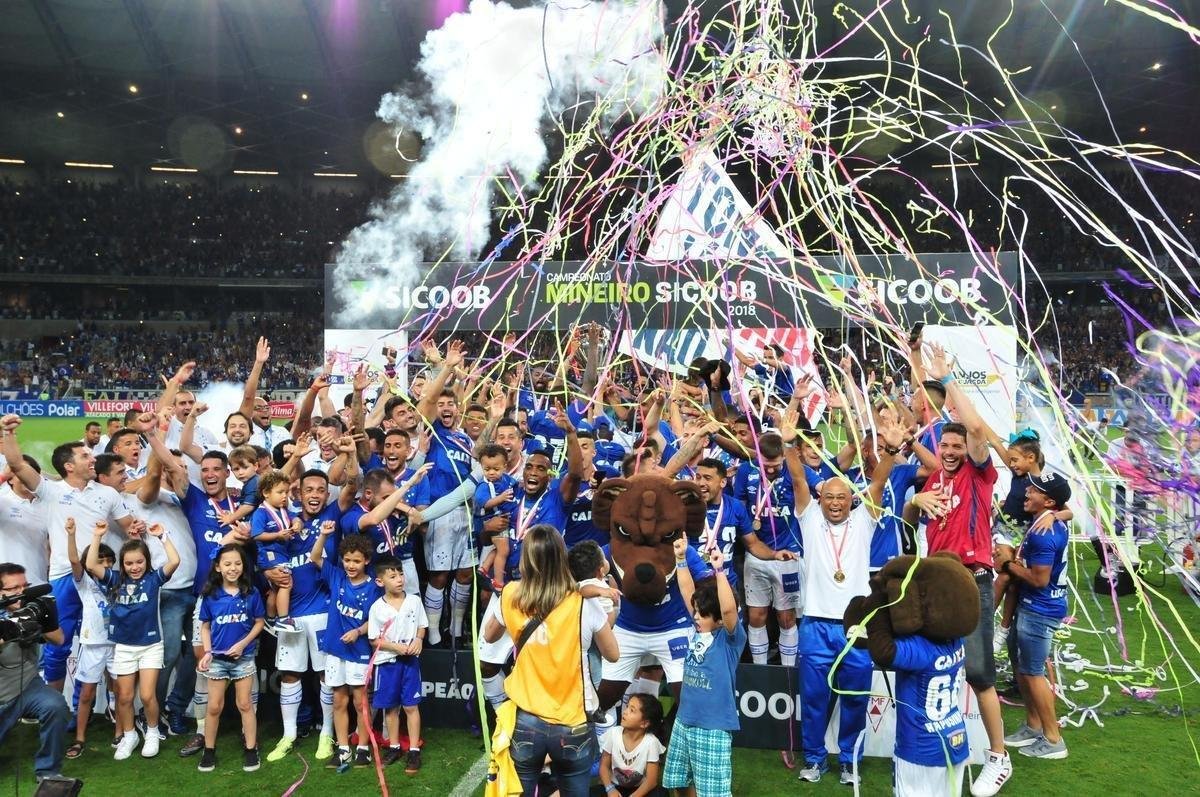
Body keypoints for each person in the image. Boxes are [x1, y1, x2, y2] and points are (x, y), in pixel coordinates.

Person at [782, 409, 903, 786]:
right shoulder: (810, 518)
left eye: (842, 497)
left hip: (856, 628)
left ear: (852, 499)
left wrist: (891, 450)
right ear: (820, 499)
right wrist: (789, 445)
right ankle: (815, 760)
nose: (835, 502)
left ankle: (850, 761)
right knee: (815, 702)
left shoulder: (864, 519)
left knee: (854, 701)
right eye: (829, 496)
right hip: (816, 624)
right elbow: (799, 476)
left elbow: (880, 481)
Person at [915, 344, 1011, 796]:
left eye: (957, 446)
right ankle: (944, 741)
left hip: (973, 582)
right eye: (945, 445)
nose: (951, 450)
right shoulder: (935, 479)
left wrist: (947, 380)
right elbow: (912, 512)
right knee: (939, 667)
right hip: (936, 583)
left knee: (977, 672)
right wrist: (916, 500)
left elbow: (974, 427)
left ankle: (999, 756)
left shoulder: (979, 474)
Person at [482, 524, 619, 796]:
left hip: (526, 721)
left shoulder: (511, 594)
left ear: (526, 558)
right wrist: (611, 608)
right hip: (573, 723)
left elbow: (489, 635)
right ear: (562, 556)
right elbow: (613, 654)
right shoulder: (582, 602)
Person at [85, 520, 179, 760]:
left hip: (150, 646)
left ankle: (152, 732)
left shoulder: (154, 579)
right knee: (124, 698)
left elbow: (175, 561)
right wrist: (97, 536)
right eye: (129, 563)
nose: (135, 567)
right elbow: (90, 564)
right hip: (124, 647)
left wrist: (162, 536)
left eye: (139, 562)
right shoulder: (114, 579)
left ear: (146, 561)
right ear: (122, 564)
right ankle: (129, 735)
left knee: (147, 696)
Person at [994, 473, 1072, 760]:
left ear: (1048, 501)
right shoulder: (1044, 521)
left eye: (1035, 490)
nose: (1027, 492)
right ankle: (1033, 725)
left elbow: (1039, 579)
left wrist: (1008, 566)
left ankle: (1053, 740)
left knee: (1032, 672)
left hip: (1039, 610)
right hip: (1030, 606)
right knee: (1022, 666)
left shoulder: (1044, 533)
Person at [662, 541, 746, 797]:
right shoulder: (700, 627)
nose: (696, 616)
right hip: (684, 721)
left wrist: (719, 571)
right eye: (696, 612)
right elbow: (688, 590)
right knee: (678, 780)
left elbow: (729, 608)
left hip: (713, 727)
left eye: (702, 614)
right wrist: (680, 559)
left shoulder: (729, 638)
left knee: (713, 793)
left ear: (719, 619)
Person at [310, 524, 382, 773]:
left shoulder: (374, 587)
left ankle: (363, 748)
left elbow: (377, 618)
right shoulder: (337, 576)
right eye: (347, 560)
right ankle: (343, 749)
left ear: (367, 561)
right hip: (335, 651)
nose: (351, 565)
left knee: (360, 702)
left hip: (359, 652)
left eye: (356, 561)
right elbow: (315, 557)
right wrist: (324, 535)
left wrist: (358, 631)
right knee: (339, 701)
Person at [196, 544, 266, 773]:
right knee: (214, 706)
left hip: (243, 659)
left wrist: (243, 644)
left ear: (243, 566)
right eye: (227, 564)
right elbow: (205, 627)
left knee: (245, 704)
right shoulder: (210, 596)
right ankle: (208, 751)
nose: (233, 568)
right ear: (218, 567)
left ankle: (250, 748)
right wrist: (207, 652)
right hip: (217, 660)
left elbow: (259, 622)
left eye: (237, 563)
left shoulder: (252, 593)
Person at [0, 562, 69, 783]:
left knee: (55, 704)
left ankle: (48, 771)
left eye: (25, 586)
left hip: (27, 685)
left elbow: (59, 640)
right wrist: (10, 631)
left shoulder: (33, 607)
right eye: (13, 589)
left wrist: (46, 620)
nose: (21, 592)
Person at [367, 555, 429, 773]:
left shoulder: (414, 601)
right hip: (388, 663)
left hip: (410, 662)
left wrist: (419, 639)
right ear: (380, 581)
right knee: (391, 708)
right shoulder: (377, 608)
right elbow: (374, 639)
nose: (400, 579)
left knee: (411, 706)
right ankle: (393, 747)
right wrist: (395, 647)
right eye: (393, 576)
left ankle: (413, 750)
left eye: (400, 574)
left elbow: (422, 625)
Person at [63, 519, 116, 760]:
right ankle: (80, 738)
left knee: (120, 693)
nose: (104, 564)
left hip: (117, 645)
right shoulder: (84, 582)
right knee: (86, 695)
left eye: (108, 561)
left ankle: (121, 733)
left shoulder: (119, 580)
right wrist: (73, 534)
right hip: (92, 644)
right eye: (100, 560)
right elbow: (76, 560)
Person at [249, 469, 300, 632]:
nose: (284, 496)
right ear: (265, 493)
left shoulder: (283, 511)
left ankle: (270, 619)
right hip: (269, 555)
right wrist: (277, 535)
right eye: (280, 492)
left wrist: (298, 523)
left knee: (276, 589)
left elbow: (296, 517)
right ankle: (283, 619)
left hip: (281, 554)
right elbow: (256, 534)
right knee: (286, 582)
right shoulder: (260, 513)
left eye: (286, 492)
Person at [598, 693, 666, 797]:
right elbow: (604, 766)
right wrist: (610, 789)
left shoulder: (651, 742)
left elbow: (651, 781)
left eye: (632, 710)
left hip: (640, 789)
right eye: (627, 707)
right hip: (615, 787)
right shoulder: (613, 733)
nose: (625, 712)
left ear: (644, 723)